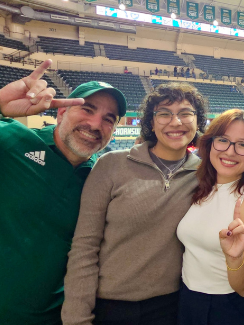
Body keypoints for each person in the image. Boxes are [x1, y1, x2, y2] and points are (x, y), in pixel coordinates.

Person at [0, 60, 127, 324]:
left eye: (108, 119)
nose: (96, 124)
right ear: (61, 113)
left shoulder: (100, 179)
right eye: (87, 109)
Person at [62, 82, 208, 325]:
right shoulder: (111, 165)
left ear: (197, 122)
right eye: (164, 113)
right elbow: (84, 248)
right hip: (109, 308)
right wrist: (77, 318)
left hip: (171, 307)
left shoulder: (205, 175)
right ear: (151, 123)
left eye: (186, 113)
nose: (176, 122)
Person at [177, 109, 244, 325]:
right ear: (210, 144)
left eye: (243, 144)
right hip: (187, 300)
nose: (230, 151)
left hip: (224, 309)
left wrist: (234, 258)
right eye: (223, 140)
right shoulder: (202, 188)